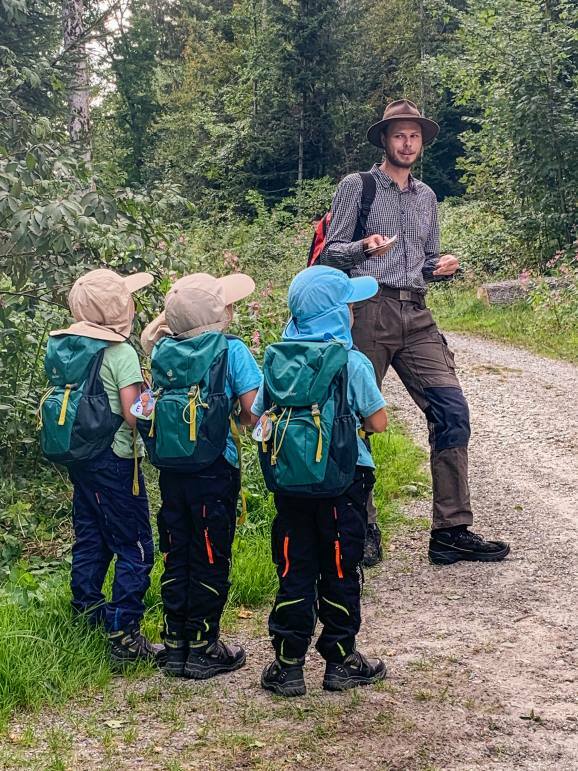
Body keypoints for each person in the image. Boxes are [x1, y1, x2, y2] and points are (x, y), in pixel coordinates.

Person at [320, 99, 510, 567]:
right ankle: (358, 528)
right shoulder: (358, 186)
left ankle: (451, 531)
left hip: (417, 312)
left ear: (421, 142)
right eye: (399, 135)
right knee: (354, 416)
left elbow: (425, 260)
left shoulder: (427, 197)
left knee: (451, 411)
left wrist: (440, 267)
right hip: (366, 308)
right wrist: (364, 247)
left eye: (414, 136)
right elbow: (330, 253)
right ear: (385, 140)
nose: (407, 143)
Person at [252, 266, 389, 696]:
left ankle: (287, 665)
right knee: (341, 569)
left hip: (291, 484)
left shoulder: (277, 361)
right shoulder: (351, 361)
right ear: (335, 314)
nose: (352, 311)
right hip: (345, 483)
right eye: (348, 305)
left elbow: (257, 417)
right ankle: (341, 661)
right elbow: (378, 422)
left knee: (295, 568)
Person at [140, 273, 262, 679]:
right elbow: (253, 410)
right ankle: (204, 645)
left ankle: (175, 642)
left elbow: (149, 407)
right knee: (211, 554)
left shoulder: (163, 351)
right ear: (218, 313)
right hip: (215, 467)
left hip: (172, 468)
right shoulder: (231, 350)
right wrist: (235, 418)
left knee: (177, 551)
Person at [47, 268, 162, 665]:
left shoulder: (69, 347)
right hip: (116, 460)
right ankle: (124, 634)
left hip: (82, 457)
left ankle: (87, 614)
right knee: (136, 546)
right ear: (118, 309)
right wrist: (154, 397)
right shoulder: (120, 352)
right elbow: (133, 413)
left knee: (92, 536)